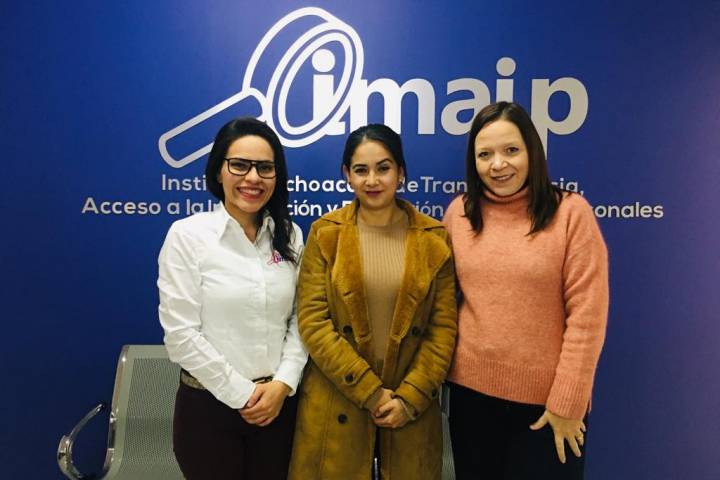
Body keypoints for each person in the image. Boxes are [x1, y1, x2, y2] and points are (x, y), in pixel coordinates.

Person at [443, 101, 609, 479]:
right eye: (485, 154)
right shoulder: (460, 213)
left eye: (511, 150)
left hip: (548, 408)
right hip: (471, 403)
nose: (498, 164)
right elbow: (443, 303)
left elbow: (587, 318)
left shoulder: (571, 213)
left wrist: (568, 403)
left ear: (532, 151)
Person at [288, 124, 457, 480]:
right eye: (361, 170)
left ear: (401, 172)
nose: (372, 180)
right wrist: (370, 392)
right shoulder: (325, 233)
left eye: (383, 168)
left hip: (410, 411)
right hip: (336, 402)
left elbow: (442, 330)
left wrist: (408, 398)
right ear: (347, 175)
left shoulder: (434, 238)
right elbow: (313, 322)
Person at [157, 117, 307, 480]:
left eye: (265, 167)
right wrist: (244, 394)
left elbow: (302, 319)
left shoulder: (290, 235)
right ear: (218, 171)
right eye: (239, 165)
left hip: (279, 409)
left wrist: (282, 384)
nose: (253, 178)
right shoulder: (187, 236)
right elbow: (181, 335)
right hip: (209, 412)